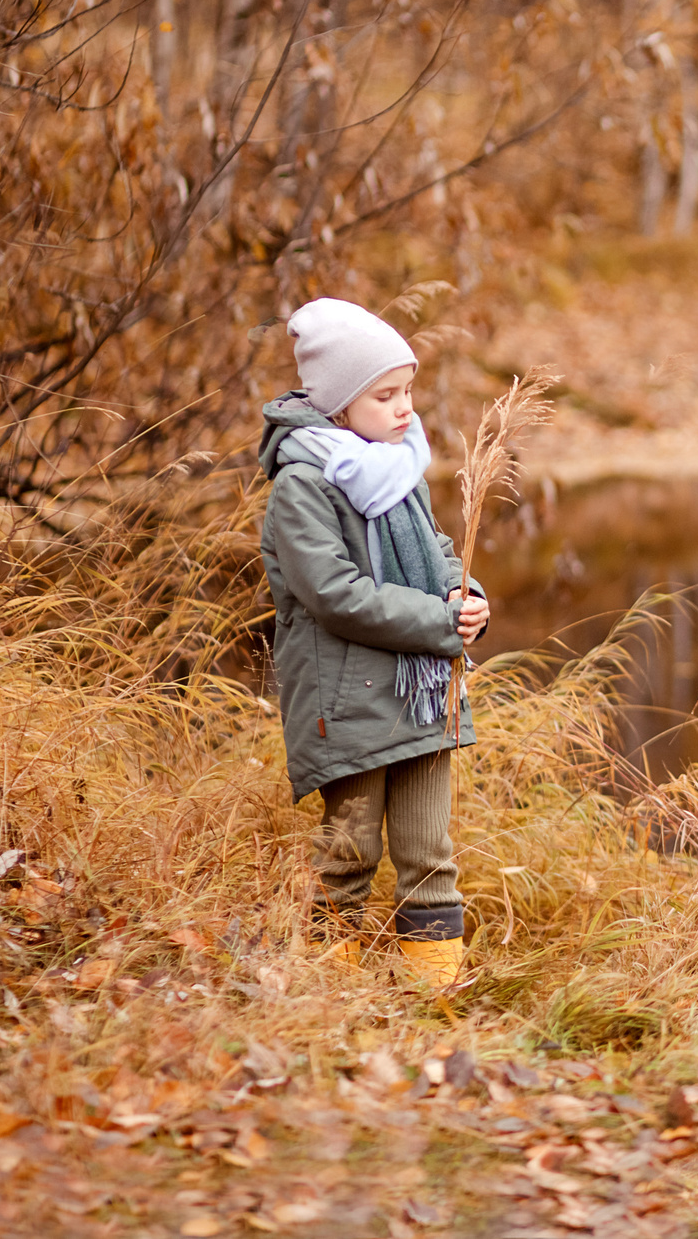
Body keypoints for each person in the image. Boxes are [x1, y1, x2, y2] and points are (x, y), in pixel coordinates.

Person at [256, 298, 489, 986]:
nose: (405, 409)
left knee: (429, 852)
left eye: (408, 390)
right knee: (350, 852)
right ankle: (332, 993)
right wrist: (437, 621)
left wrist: (464, 595)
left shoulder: (393, 467)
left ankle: (435, 991)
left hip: (422, 696)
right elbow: (335, 595)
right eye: (385, 394)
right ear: (337, 402)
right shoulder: (303, 486)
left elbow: (439, 550)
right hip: (349, 697)